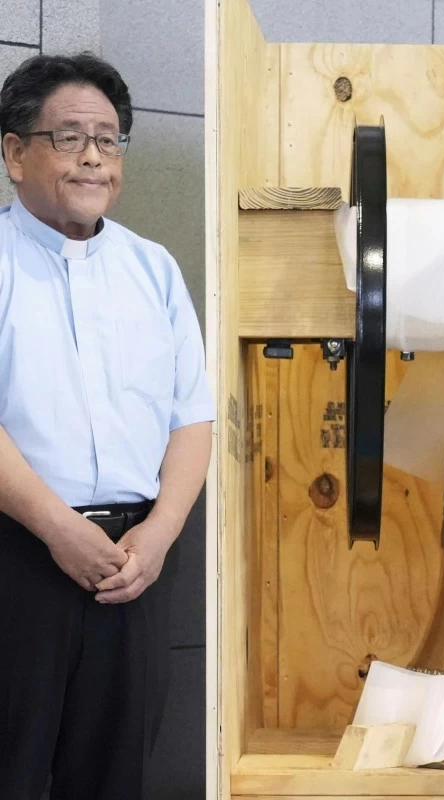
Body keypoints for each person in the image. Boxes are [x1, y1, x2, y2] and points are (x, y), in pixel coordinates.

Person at [0, 53, 214, 799]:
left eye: (109, 138)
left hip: (135, 564)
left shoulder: (153, 269)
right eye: (68, 137)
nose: (94, 156)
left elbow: (193, 417)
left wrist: (157, 536)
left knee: (116, 775)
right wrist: (58, 528)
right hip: (18, 554)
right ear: (13, 152)